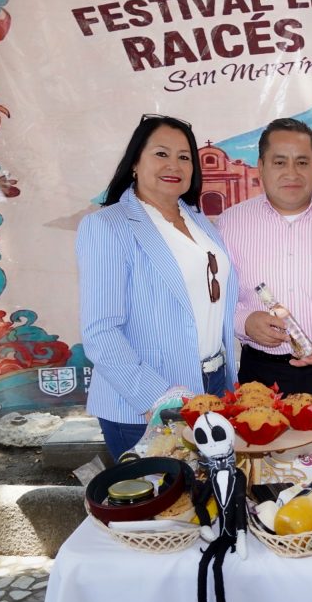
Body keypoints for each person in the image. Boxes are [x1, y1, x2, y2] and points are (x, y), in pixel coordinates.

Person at [77, 114, 238, 459]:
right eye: (161, 154)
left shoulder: (198, 221)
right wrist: (157, 398)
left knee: (203, 502)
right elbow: (100, 331)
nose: (174, 165)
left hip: (212, 385)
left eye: (184, 157)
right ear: (135, 161)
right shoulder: (108, 226)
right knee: (159, 506)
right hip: (143, 402)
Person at [216, 118, 312, 434]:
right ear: (261, 166)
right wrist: (244, 321)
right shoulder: (228, 225)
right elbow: (212, 302)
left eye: (302, 162)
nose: (292, 173)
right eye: (280, 162)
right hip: (261, 375)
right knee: (265, 474)